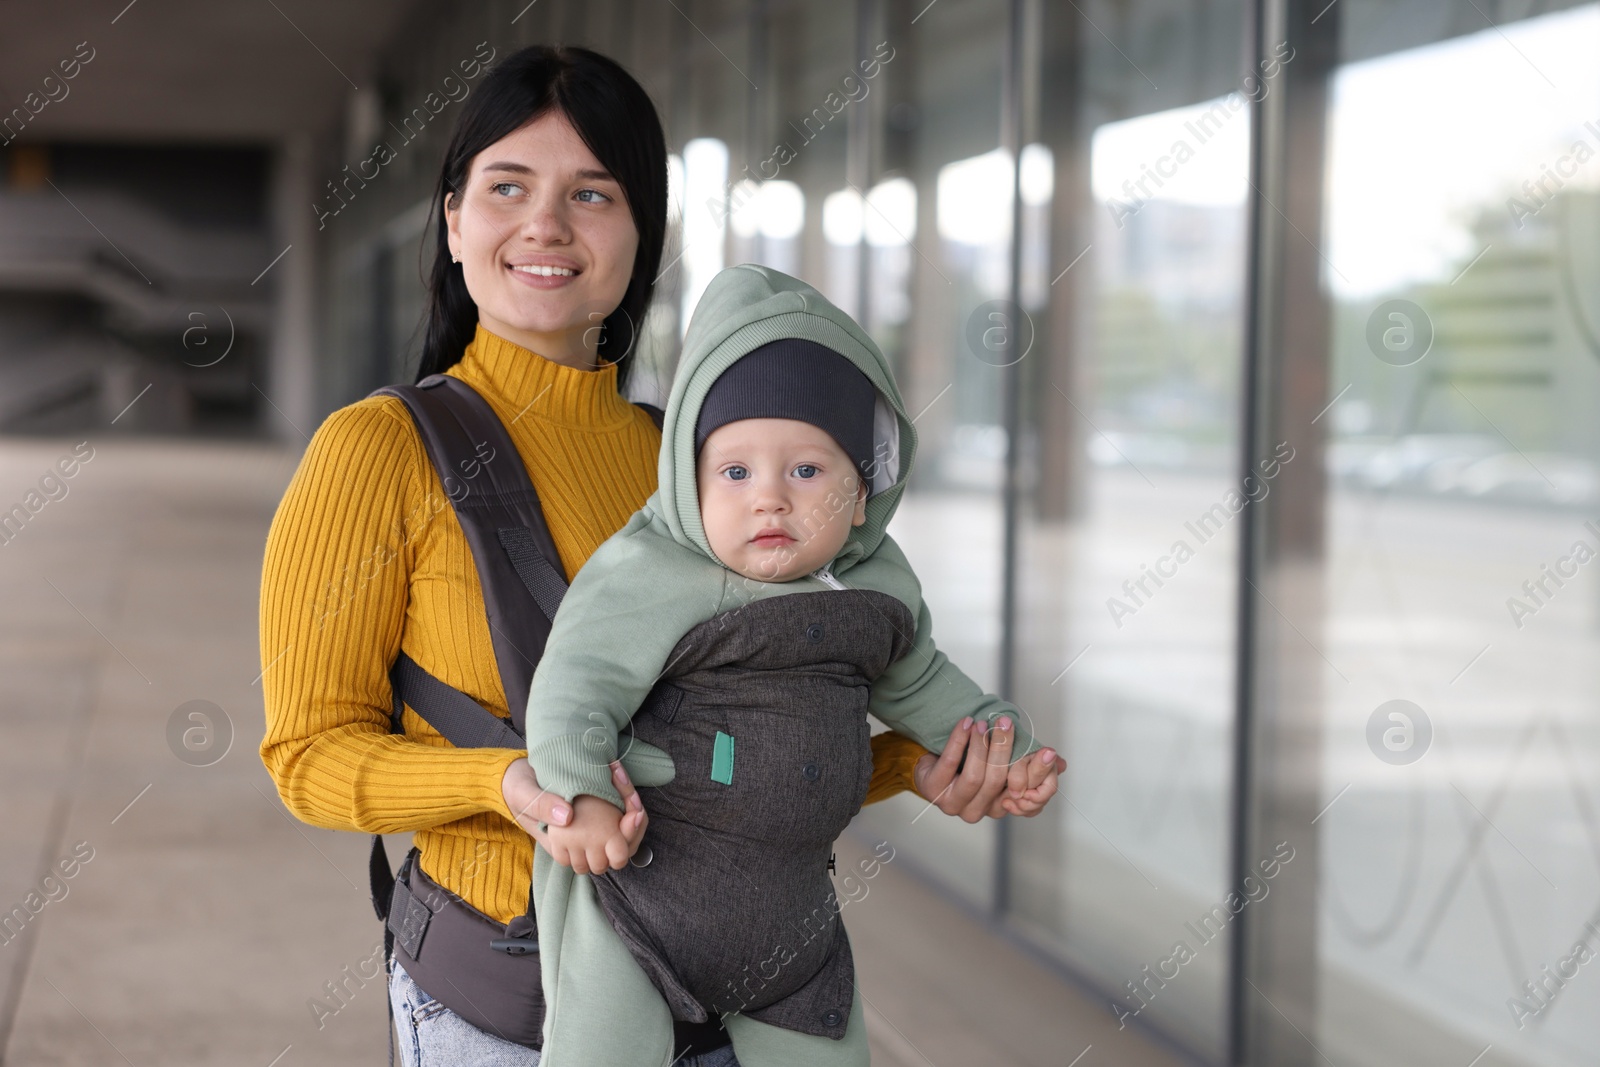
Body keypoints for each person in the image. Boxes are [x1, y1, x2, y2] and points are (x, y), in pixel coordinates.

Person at [258, 44, 1058, 1066]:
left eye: (592, 193)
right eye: (509, 186)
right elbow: (309, 755)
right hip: (509, 1006)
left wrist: (918, 761)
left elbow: (731, 748)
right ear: (454, 218)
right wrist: (518, 781)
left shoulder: (697, 467)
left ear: (640, 237)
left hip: (735, 1006)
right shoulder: (376, 451)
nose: (547, 223)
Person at [526, 264, 1065, 1067]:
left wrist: (1001, 743)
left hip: (794, 932)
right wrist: (579, 795)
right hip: (640, 904)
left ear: (862, 487)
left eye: (806, 470)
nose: (768, 498)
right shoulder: (650, 570)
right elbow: (575, 684)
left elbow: (921, 682)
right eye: (735, 471)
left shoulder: (879, 587)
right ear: (690, 479)